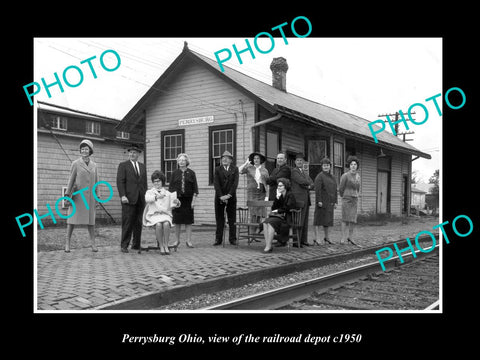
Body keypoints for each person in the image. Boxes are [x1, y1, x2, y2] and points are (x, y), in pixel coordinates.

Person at [64, 139, 98, 253]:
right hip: (78, 197)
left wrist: (97, 197)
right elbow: (71, 180)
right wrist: (67, 195)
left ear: (90, 150)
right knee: (72, 220)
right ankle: (67, 243)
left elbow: (97, 182)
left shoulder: (94, 165)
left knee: (91, 222)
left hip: (90, 198)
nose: (84, 151)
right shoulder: (76, 163)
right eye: (82, 149)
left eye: (86, 149)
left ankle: (93, 244)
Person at [116, 144, 148, 253]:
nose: (132, 154)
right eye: (130, 152)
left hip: (140, 199)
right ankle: (124, 245)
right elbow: (120, 182)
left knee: (138, 222)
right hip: (128, 199)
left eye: (134, 152)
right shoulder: (123, 165)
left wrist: (146, 197)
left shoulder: (142, 166)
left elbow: (144, 183)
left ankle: (136, 244)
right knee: (128, 222)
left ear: (138, 154)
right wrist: (122, 195)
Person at [143, 170, 180, 255]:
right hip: (154, 215)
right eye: (155, 181)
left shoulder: (167, 193)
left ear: (162, 181)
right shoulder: (149, 192)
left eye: (158, 181)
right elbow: (147, 199)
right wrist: (156, 197)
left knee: (166, 223)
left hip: (165, 215)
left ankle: (166, 245)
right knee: (159, 224)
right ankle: (161, 246)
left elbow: (173, 205)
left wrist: (177, 202)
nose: (157, 183)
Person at [168, 153, 199, 249]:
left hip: (188, 200)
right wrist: (173, 201)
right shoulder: (174, 173)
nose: (181, 162)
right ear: (177, 162)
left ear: (187, 162)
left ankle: (188, 241)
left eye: (183, 160)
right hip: (177, 200)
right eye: (180, 160)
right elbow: (171, 189)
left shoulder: (192, 173)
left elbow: (195, 189)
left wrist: (193, 201)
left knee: (188, 221)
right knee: (177, 221)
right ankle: (177, 240)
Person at [262, 178, 297, 253]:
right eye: (278, 186)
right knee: (265, 222)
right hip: (279, 217)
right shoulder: (280, 195)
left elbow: (288, 207)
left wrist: (278, 210)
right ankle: (268, 245)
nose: (278, 187)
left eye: (281, 186)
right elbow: (273, 208)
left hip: (287, 218)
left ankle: (268, 247)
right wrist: (277, 198)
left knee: (271, 223)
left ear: (286, 186)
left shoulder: (290, 195)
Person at [213, 151, 239, 246]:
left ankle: (232, 239)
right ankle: (218, 239)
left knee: (232, 218)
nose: (224, 159)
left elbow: (235, 184)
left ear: (231, 160)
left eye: (227, 158)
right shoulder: (217, 169)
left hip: (231, 197)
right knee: (219, 218)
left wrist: (228, 195)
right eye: (223, 157)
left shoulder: (235, 169)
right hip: (219, 197)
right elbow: (216, 184)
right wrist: (221, 196)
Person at [238, 152, 269, 228]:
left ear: (260, 160)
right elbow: (239, 170)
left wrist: (267, 196)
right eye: (254, 158)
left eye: (258, 158)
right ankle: (252, 233)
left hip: (261, 193)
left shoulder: (265, 170)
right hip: (252, 193)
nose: (256, 160)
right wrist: (246, 163)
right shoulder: (249, 168)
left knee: (260, 213)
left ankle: (257, 232)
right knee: (253, 212)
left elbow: (267, 183)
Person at [290, 153, 314, 247]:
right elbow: (301, 181)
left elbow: (312, 183)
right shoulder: (294, 171)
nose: (299, 162)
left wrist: (309, 185)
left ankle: (304, 240)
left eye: (301, 160)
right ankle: (296, 242)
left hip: (306, 199)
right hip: (298, 199)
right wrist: (308, 184)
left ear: (303, 162)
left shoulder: (304, 172)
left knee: (305, 220)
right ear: (295, 162)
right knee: (298, 220)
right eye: (298, 160)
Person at [313, 157, 338, 245]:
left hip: (330, 202)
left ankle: (327, 237)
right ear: (322, 166)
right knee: (318, 220)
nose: (326, 167)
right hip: (322, 201)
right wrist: (319, 201)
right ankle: (317, 238)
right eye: (324, 165)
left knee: (328, 220)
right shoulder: (319, 176)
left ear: (330, 167)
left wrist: (335, 202)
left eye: (327, 165)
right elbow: (317, 190)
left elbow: (335, 190)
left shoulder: (332, 177)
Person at [339, 155, 361, 244]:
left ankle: (350, 237)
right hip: (346, 199)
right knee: (345, 219)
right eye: (351, 164)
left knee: (353, 219)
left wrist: (356, 195)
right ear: (349, 165)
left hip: (354, 200)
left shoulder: (358, 176)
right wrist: (344, 196)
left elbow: (358, 188)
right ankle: (343, 238)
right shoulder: (345, 176)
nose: (353, 166)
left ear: (357, 166)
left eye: (355, 164)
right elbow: (341, 188)